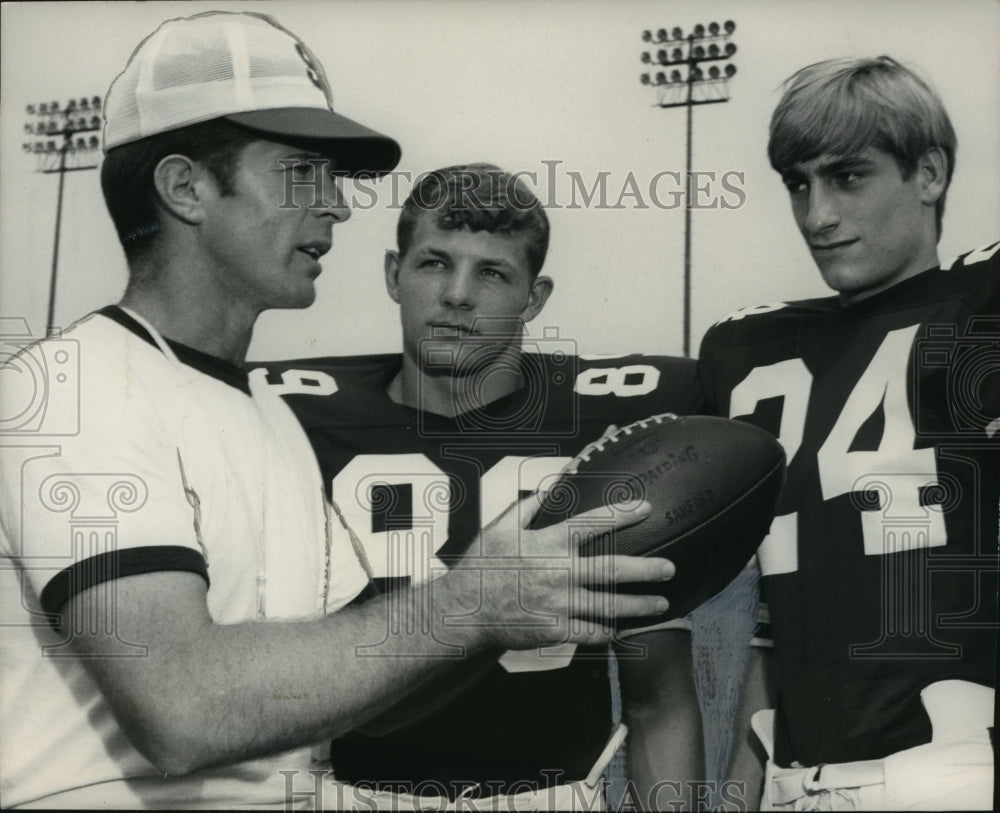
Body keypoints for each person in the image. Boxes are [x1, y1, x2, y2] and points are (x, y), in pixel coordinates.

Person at [0, 13, 676, 809]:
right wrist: (471, 603)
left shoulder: (268, 417)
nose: (336, 207)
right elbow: (179, 707)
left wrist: (530, 604)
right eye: (301, 173)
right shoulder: (75, 387)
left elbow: (360, 685)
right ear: (185, 187)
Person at [259, 163, 707, 810]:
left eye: (492, 272)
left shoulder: (604, 426)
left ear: (535, 296)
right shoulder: (293, 416)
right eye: (434, 264)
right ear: (393, 273)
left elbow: (658, 696)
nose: (457, 294)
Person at [697, 56, 998, 810]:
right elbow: (779, 609)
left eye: (848, 177)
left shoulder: (980, 311)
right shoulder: (750, 351)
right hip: (795, 779)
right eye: (799, 183)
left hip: (954, 771)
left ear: (928, 174)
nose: (816, 215)